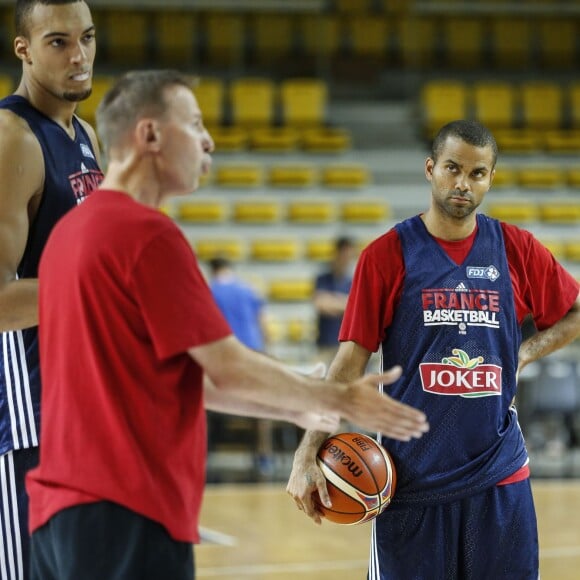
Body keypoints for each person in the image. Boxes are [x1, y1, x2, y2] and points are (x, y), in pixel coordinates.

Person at [25, 70, 429, 580]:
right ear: (149, 134)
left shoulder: (67, 234)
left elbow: (201, 383)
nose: (208, 139)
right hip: (128, 508)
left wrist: (304, 400)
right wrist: (337, 398)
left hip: (55, 513)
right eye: (194, 123)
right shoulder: (146, 234)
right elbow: (228, 367)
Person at [287, 120, 580, 580]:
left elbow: (574, 312)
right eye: (452, 168)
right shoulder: (385, 256)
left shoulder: (516, 249)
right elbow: (347, 366)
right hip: (409, 482)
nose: (463, 183)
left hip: (498, 476)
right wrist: (308, 452)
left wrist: (524, 353)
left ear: (490, 178)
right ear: (430, 169)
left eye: (477, 173)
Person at [0, 1, 101, 577]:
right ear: (24, 49)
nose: (79, 55)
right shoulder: (12, 136)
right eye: (59, 42)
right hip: (24, 411)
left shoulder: (84, 133)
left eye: (86, 37)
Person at [207, 256, 273, 479]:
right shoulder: (248, 289)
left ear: (213, 270)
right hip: (253, 351)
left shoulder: (210, 291)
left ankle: (205, 455)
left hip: (225, 354)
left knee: (206, 406)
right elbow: (264, 325)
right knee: (262, 406)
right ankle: (264, 457)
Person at [313, 236, 356, 365]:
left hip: (348, 345)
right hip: (326, 343)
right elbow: (321, 304)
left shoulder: (353, 281)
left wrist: (334, 301)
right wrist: (347, 304)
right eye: (343, 254)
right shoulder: (323, 279)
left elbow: (358, 309)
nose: (346, 259)